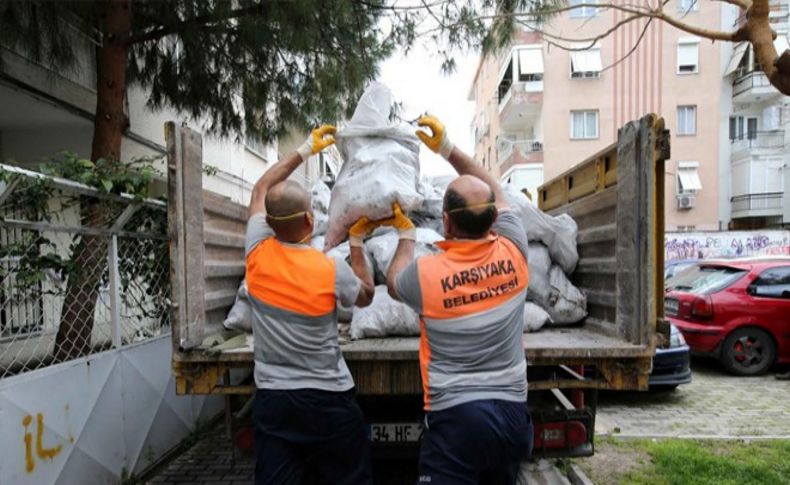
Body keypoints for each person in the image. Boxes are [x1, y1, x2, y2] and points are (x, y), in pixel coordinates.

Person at [385, 115, 533, 484]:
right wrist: (447, 147)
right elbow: (495, 188)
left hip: (456, 420)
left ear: (446, 223)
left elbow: (391, 282)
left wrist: (406, 235)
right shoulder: (515, 249)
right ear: (495, 219)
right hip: (513, 416)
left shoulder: (424, 275)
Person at [246, 125, 380, 485]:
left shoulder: (257, 252)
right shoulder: (330, 268)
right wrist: (354, 242)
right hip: (328, 399)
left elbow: (260, 189)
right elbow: (366, 295)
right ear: (310, 221)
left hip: (275, 401)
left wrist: (305, 150)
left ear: (268, 225)